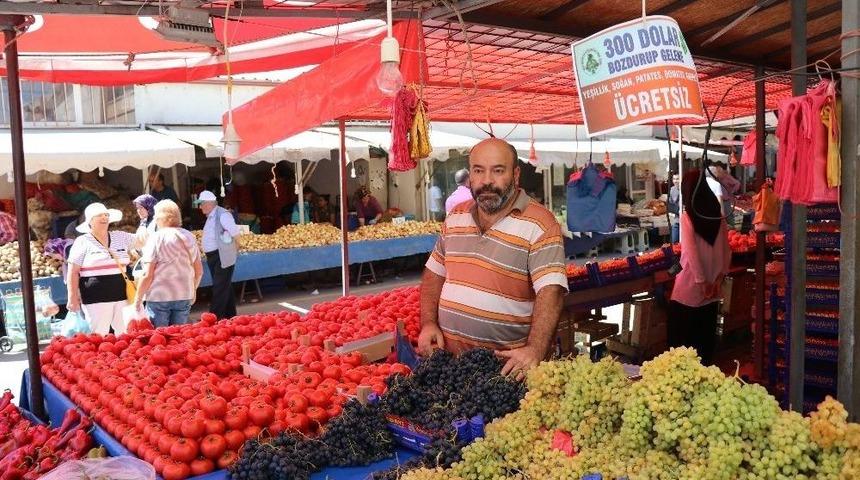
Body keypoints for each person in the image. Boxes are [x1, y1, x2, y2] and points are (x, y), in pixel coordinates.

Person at [418, 138, 568, 380]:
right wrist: (428, 323)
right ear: (471, 175)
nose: (487, 180)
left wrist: (535, 349)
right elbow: (435, 273)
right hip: (449, 363)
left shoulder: (541, 224)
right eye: (479, 170)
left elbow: (552, 291)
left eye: (498, 171)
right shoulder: (455, 217)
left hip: (504, 374)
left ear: (516, 174)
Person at [669, 170, 731, 366]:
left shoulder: (688, 217)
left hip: (690, 290)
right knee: (704, 343)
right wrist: (718, 279)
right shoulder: (719, 216)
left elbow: (691, 254)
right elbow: (726, 251)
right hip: (712, 290)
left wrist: (702, 281)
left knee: (683, 346)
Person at [66, 203, 137, 335]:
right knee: (99, 335)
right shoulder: (82, 241)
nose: (104, 218)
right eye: (100, 215)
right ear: (90, 221)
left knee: (125, 333)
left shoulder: (120, 236)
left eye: (106, 215)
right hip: (95, 297)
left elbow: (143, 240)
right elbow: (73, 271)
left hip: (123, 294)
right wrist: (72, 296)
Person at [134, 200, 203, 327]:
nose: (154, 219)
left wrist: (138, 299)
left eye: (155, 216)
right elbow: (199, 271)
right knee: (179, 338)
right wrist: (193, 290)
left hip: (159, 296)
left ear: (160, 218)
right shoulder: (189, 236)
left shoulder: (156, 238)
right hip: (184, 295)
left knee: (160, 340)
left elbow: (147, 274)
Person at [195, 190, 240, 319]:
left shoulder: (222, 215)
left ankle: (214, 318)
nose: (200, 206)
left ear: (209, 203)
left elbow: (236, 234)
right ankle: (231, 316)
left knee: (219, 287)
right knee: (225, 286)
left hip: (222, 256)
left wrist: (233, 252)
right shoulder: (211, 216)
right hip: (214, 256)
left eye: (202, 203)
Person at [668, 174, 680, 243]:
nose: (675, 181)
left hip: (685, 219)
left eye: (677, 179)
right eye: (674, 179)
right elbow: (670, 203)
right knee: (674, 241)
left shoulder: (686, 188)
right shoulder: (672, 189)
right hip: (676, 219)